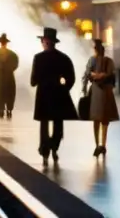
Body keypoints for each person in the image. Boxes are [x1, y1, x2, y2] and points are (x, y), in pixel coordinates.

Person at [31, 26, 77, 165]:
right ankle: (54, 146)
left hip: (43, 93)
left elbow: (33, 80)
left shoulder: (38, 58)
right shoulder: (63, 58)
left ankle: (45, 149)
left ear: (45, 41)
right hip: (58, 93)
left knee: (44, 123)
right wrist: (64, 88)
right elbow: (71, 77)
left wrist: (37, 81)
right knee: (58, 123)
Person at [82, 39, 119, 157]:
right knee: (105, 120)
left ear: (95, 49)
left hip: (96, 91)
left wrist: (85, 88)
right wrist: (102, 76)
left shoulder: (92, 60)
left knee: (96, 119)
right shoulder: (109, 61)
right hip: (107, 92)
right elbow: (112, 78)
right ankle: (103, 144)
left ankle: (97, 144)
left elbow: (87, 75)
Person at [0, 33, 19, 118]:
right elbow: (15, 65)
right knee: (5, 94)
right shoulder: (12, 54)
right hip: (5, 77)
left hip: (1, 77)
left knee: (4, 94)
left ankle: (4, 109)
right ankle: (5, 109)